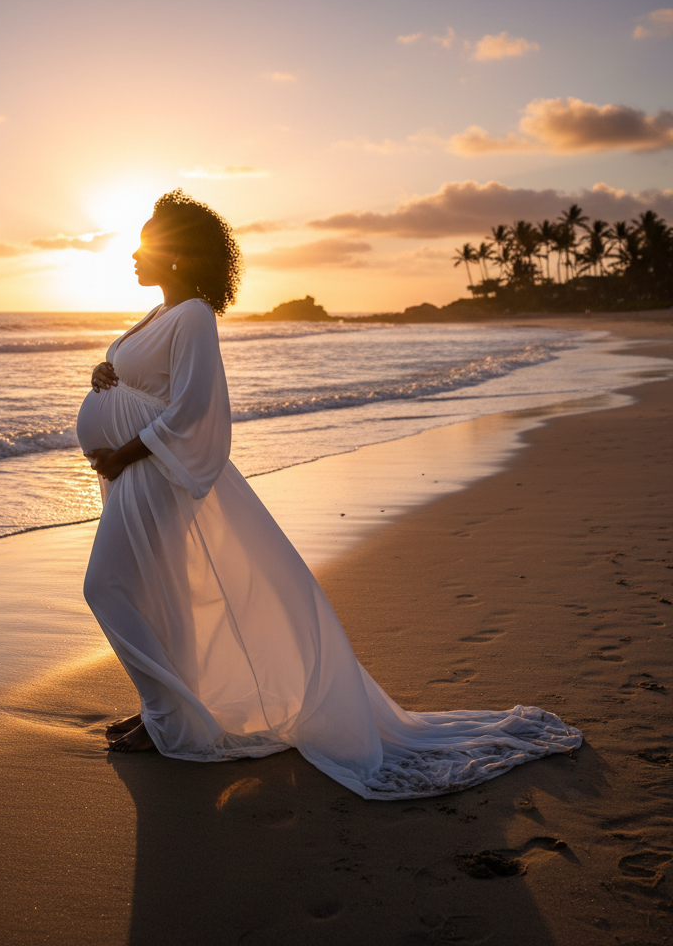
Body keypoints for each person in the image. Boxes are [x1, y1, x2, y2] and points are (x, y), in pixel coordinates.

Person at [76, 190, 581, 799]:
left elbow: (194, 409)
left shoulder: (195, 316)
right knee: (164, 597)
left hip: (155, 475)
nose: (133, 253)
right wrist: (108, 375)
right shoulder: (160, 315)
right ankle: (169, 715)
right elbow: (145, 384)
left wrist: (123, 451)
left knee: (105, 585)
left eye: (147, 241)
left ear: (178, 255)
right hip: (138, 474)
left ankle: (165, 720)